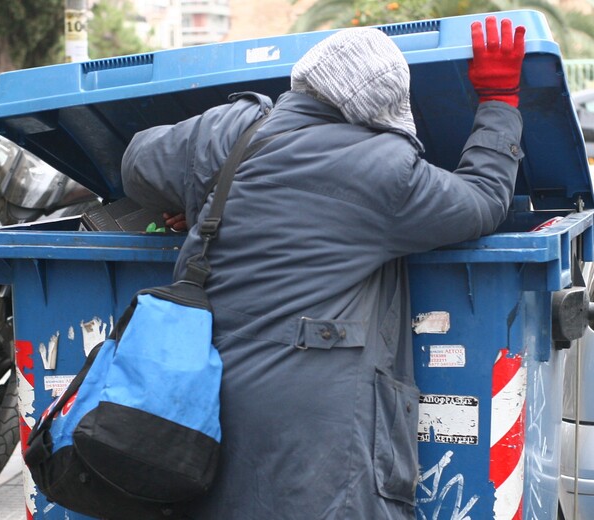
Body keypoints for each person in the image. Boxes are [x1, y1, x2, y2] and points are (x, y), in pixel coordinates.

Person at [121, 16, 525, 520]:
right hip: (319, 445)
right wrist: (500, 97)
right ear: (383, 111)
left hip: (192, 415)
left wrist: (200, 194)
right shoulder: (388, 171)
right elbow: (485, 200)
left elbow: (136, 163)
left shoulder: (230, 131)